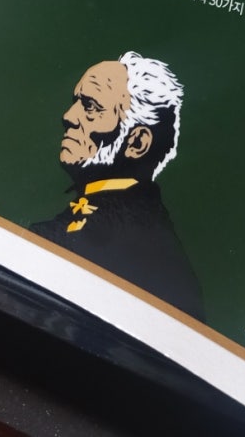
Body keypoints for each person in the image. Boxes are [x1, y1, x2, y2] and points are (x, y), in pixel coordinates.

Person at [30, 51, 204, 320]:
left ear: (137, 142)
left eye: (90, 106)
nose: (68, 116)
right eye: (76, 102)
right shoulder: (112, 218)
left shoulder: (134, 241)